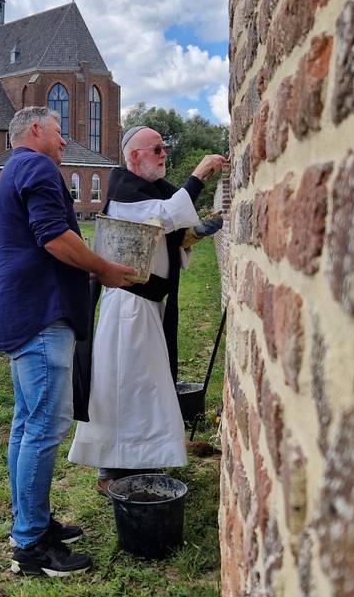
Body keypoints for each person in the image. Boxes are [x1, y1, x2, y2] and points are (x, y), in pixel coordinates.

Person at [0, 106, 134, 577]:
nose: (63, 141)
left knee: (27, 424)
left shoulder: (15, 169)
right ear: (34, 131)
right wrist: (104, 269)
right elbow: (53, 237)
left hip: (23, 312)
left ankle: (29, 524)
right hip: (41, 312)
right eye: (57, 131)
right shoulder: (36, 165)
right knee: (44, 427)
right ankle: (31, 547)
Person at [68, 126, 226, 493]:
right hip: (128, 309)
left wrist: (193, 234)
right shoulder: (124, 191)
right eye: (156, 148)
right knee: (123, 388)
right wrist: (199, 175)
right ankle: (110, 473)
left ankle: (140, 463)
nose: (163, 153)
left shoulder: (148, 192)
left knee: (144, 388)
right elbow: (164, 217)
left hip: (144, 308)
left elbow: (164, 231)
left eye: (164, 147)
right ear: (134, 156)